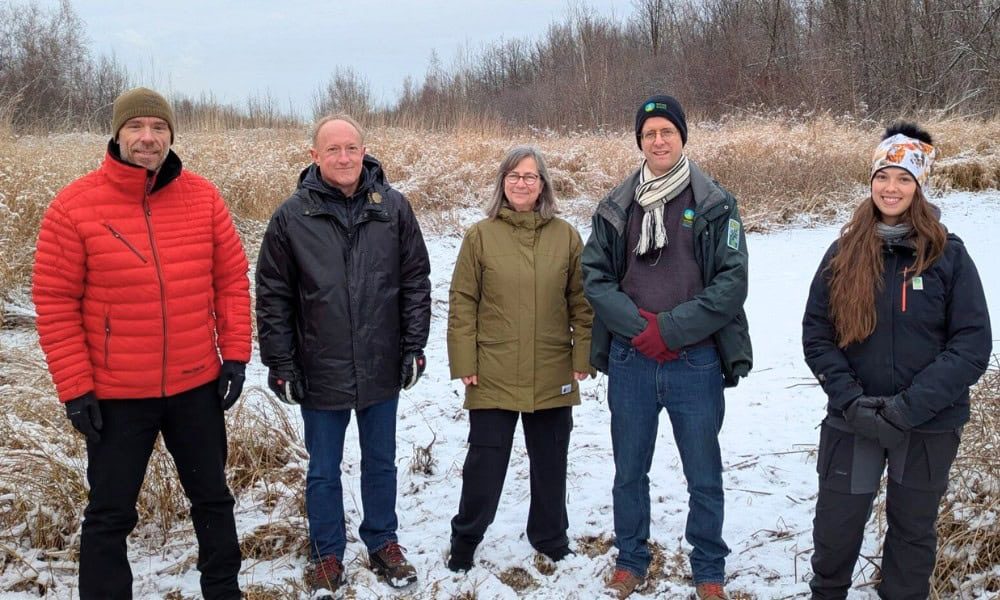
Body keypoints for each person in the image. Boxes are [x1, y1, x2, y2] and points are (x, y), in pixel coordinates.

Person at [31, 87, 251, 599]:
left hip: (196, 385)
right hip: (115, 394)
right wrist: (75, 388)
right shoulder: (74, 206)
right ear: (117, 133)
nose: (147, 138)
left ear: (171, 135)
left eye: (158, 128)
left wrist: (235, 353)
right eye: (136, 127)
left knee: (213, 499)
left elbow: (231, 280)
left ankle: (224, 591)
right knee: (109, 514)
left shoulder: (203, 197)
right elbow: (55, 301)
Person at [802, 122, 991, 599]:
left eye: (904, 178)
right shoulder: (843, 254)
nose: (891, 188)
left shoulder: (947, 257)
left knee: (912, 537)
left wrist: (908, 408)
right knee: (835, 534)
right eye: (883, 176)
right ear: (871, 181)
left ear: (919, 185)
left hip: (927, 426)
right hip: (854, 422)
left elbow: (971, 345)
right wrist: (852, 402)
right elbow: (817, 336)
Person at [582, 95, 752, 600]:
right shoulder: (616, 206)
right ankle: (631, 560)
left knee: (703, 472)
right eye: (649, 133)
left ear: (682, 137)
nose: (658, 140)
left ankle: (708, 569)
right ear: (639, 141)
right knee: (629, 470)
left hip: (695, 359)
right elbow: (594, 277)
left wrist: (671, 330)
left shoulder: (716, 202)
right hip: (631, 359)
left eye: (667, 132)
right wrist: (638, 329)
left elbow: (732, 282)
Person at [255, 114, 431, 596]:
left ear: (364, 150)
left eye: (351, 148)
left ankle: (383, 542)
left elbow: (415, 281)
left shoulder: (392, 208)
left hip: (380, 362)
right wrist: (281, 362)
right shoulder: (292, 217)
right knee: (323, 468)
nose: (344, 157)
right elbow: (273, 296)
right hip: (320, 367)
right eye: (333, 150)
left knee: (381, 462)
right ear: (315, 156)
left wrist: (413, 345)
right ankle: (327, 553)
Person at [445, 146, 594, 572]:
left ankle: (549, 536)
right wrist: (464, 361)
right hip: (492, 372)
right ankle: (466, 539)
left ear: (543, 183)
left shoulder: (565, 236)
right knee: (484, 466)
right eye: (513, 176)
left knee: (551, 462)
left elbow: (581, 303)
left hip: (552, 369)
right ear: (502, 183)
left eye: (530, 176)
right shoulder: (480, 236)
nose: (522, 183)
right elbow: (463, 303)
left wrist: (582, 355)